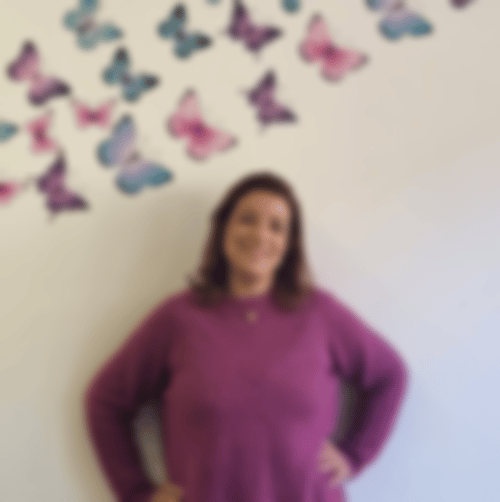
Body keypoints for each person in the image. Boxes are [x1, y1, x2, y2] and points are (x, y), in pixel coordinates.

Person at [84, 171, 409, 502]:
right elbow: (105, 400)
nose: (260, 235)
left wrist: (354, 455)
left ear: (289, 244)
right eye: (247, 219)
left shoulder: (320, 314)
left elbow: (390, 375)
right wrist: (136, 493)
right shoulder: (179, 319)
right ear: (223, 229)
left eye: (276, 227)